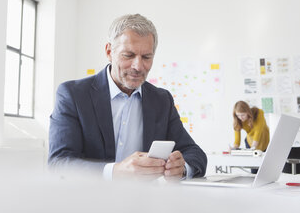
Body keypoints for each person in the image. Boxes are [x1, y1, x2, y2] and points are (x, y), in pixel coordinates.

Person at [48, 14, 207, 180]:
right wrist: (115, 171)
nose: (138, 66)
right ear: (109, 52)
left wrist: (181, 168)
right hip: (90, 201)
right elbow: (59, 164)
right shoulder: (73, 95)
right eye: (128, 55)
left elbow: (195, 154)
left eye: (146, 57)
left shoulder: (161, 100)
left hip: (144, 201)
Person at [232, 101, 270, 173]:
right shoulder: (238, 120)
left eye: (242, 115)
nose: (240, 118)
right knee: (254, 169)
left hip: (264, 141)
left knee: (266, 169)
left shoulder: (259, 113)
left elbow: (258, 131)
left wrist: (253, 148)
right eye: (238, 115)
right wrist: (233, 149)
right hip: (250, 142)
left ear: (247, 112)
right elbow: (237, 140)